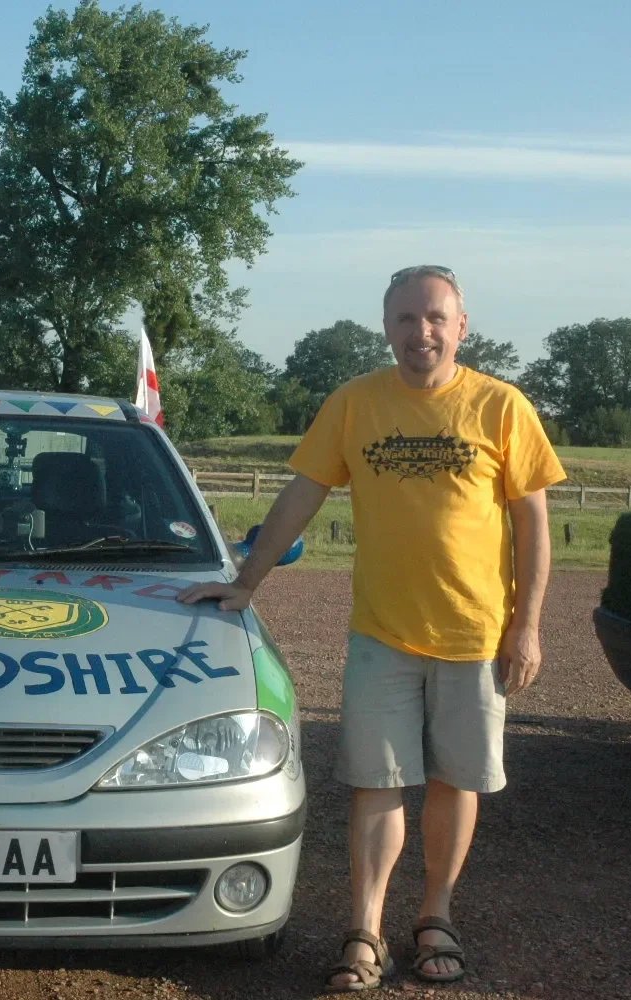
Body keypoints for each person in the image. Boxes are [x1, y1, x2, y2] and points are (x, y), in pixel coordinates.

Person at [178, 265, 564, 990]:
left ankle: (435, 917)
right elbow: (302, 494)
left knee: (456, 780)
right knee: (377, 784)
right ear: (387, 328)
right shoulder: (355, 405)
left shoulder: (501, 406)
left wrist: (528, 626)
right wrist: (244, 580)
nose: (422, 332)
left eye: (435, 318)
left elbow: (533, 523)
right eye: (406, 319)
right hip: (382, 632)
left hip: (476, 634)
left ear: (462, 326)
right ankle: (365, 930)